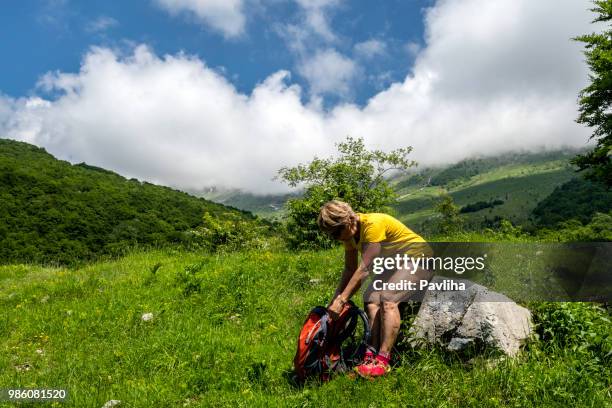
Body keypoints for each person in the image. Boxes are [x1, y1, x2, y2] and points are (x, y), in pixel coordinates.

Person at [317, 200, 433, 378]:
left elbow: (363, 269)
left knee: (388, 298)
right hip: (395, 266)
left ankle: (384, 359)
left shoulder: (372, 224)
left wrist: (342, 301)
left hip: (419, 259)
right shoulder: (349, 235)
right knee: (370, 297)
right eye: (332, 235)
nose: (337, 237)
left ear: (348, 219)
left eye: (337, 231)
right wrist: (335, 299)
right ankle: (370, 353)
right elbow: (349, 270)